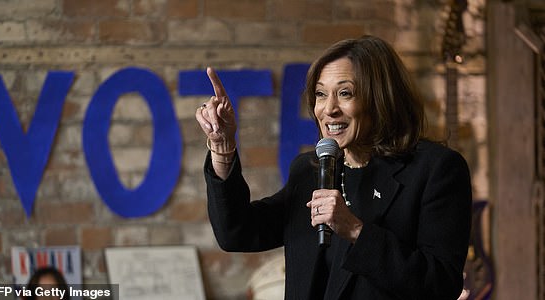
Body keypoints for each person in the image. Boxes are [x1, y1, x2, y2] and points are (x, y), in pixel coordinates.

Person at [195, 35, 472, 300]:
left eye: (345, 93)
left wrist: (355, 231)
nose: (329, 109)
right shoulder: (309, 171)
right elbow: (238, 233)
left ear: (381, 98)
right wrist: (222, 147)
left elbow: (441, 284)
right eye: (320, 94)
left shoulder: (434, 170)